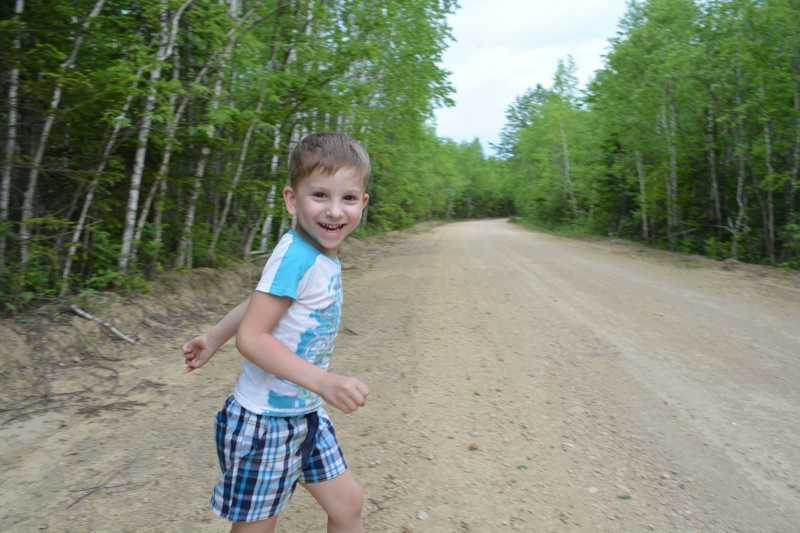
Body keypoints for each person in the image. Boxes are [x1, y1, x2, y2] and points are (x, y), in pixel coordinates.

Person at [182, 132, 371, 533]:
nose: (335, 211)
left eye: (348, 198)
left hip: (304, 415)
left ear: (363, 204)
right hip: (263, 423)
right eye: (320, 195)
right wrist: (323, 381)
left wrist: (213, 337)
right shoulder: (296, 255)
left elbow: (262, 303)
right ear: (291, 199)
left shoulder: (319, 254)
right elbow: (253, 337)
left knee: (347, 505)